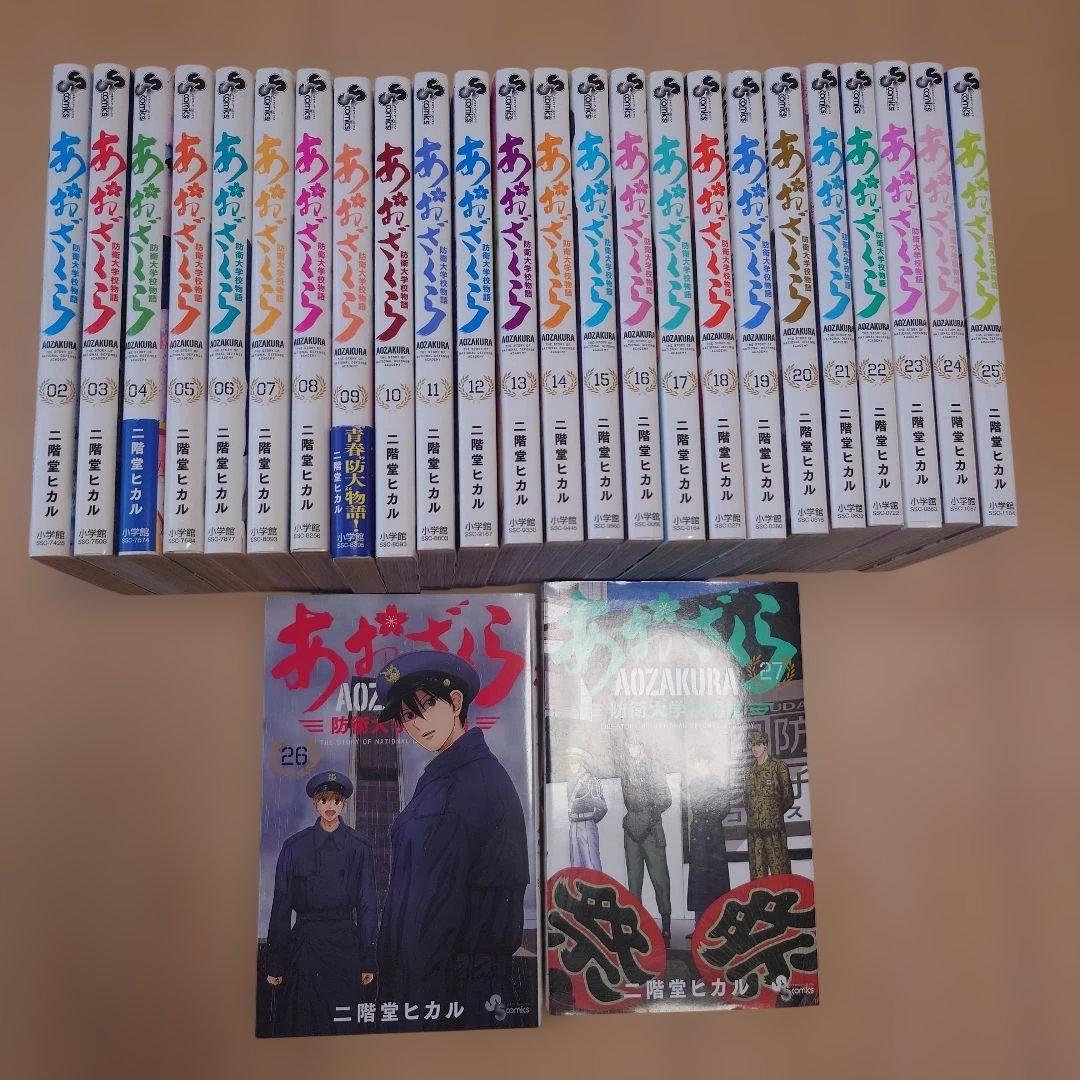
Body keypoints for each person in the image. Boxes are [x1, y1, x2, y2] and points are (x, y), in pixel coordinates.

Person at [374, 650, 530, 1026]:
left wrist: (410, 1007)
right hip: (446, 986)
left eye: (428, 705)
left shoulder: (464, 785)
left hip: (448, 992)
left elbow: (433, 913)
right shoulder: (450, 778)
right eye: (408, 716)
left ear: (456, 702)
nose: (417, 723)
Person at [264, 771, 378, 1036]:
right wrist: (275, 963)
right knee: (303, 1023)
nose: (330, 806)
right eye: (324, 800)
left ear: (343, 804)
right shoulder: (295, 847)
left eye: (336, 800)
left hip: (345, 945)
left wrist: (368, 960)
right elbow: (281, 907)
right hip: (305, 945)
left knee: (345, 1024)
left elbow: (367, 905)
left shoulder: (359, 847)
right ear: (315, 804)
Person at [618, 739, 673, 943]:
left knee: (660, 879)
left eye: (634, 745)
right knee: (634, 880)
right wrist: (635, 820)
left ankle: (666, 925)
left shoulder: (654, 767)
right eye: (629, 745)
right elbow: (627, 799)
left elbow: (666, 798)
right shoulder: (626, 770)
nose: (631, 749)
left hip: (651, 830)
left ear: (642, 746)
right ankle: (636, 925)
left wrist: (648, 817)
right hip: (632, 829)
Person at [684, 758, 732, 932]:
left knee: (716, 881)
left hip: (713, 836)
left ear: (708, 763)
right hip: (698, 836)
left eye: (701, 762)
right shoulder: (693, 784)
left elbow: (725, 807)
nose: (698, 765)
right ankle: (699, 925)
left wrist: (708, 817)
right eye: (696, 763)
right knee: (698, 883)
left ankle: (720, 925)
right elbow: (692, 807)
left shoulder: (718, 783)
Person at [743, 729, 795, 878]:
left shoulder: (778, 767)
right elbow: (746, 800)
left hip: (774, 830)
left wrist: (773, 814)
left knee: (780, 873)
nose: (755, 748)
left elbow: (788, 798)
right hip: (754, 832)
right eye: (752, 745)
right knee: (757, 877)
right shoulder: (748, 771)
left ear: (765, 745)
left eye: (758, 744)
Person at [567, 748, 606, 871]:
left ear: (582, 763)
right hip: (573, 825)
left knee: (592, 864)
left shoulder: (591, 781)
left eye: (574, 762)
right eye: (571, 762)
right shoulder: (571, 782)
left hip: (586, 824)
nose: (571, 766)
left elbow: (602, 808)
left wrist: (589, 820)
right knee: (576, 866)